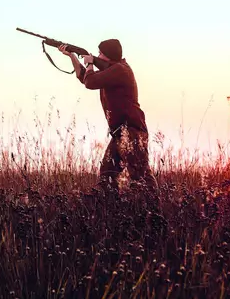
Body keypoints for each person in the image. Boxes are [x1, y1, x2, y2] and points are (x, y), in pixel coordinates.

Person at [58, 40, 158, 193]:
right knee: (107, 175)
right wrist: (72, 56)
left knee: (141, 176)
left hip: (132, 131)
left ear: (108, 56)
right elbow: (84, 77)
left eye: (100, 54)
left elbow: (90, 82)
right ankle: (111, 210)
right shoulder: (113, 71)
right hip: (119, 133)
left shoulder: (120, 70)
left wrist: (90, 63)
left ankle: (155, 213)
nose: (97, 56)